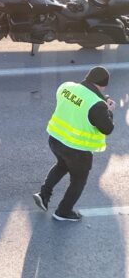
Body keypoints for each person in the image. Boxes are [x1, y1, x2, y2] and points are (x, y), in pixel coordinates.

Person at [33, 66, 115, 222]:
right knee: (78, 180)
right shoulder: (98, 105)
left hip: (55, 139)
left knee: (62, 165)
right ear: (103, 85)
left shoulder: (66, 87)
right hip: (77, 150)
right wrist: (109, 110)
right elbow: (107, 128)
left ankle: (43, 195)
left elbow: (80, 103)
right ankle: (63, 211)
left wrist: (101, 101)